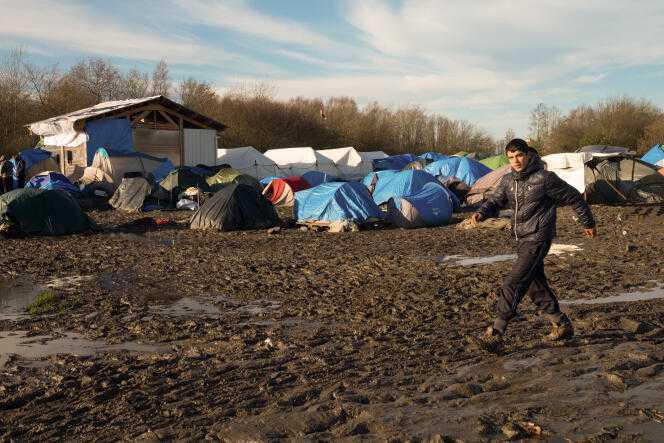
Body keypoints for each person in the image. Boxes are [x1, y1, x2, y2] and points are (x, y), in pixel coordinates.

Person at [470, 138, 596, 352]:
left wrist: (588, 222)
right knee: (533, 284)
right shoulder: (508, 180)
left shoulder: (545, 178)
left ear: (528, 154)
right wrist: (482, 212)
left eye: (519, 155)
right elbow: (495, 200)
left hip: (538, 238)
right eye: (511, 157)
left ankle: (496, 333)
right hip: (520, 240)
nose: (515, 160)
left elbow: (574, 197)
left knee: (513, 282)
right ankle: (561, 323)